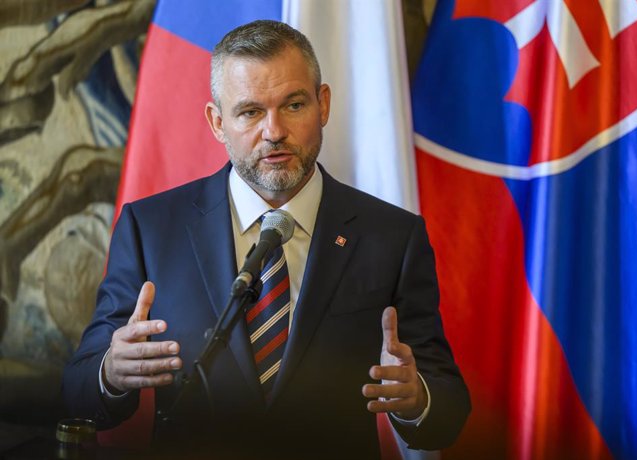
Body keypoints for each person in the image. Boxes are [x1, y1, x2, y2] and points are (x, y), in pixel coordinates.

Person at [63, 20, 470, 459]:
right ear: (217, 122)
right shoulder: (151, 228)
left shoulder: (392, 236)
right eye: (250, 112)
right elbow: (78, 394)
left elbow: (446, 411)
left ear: (323, 104)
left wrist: (417, 400)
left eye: (293, 105)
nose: (274, 131)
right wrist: (111, 372)